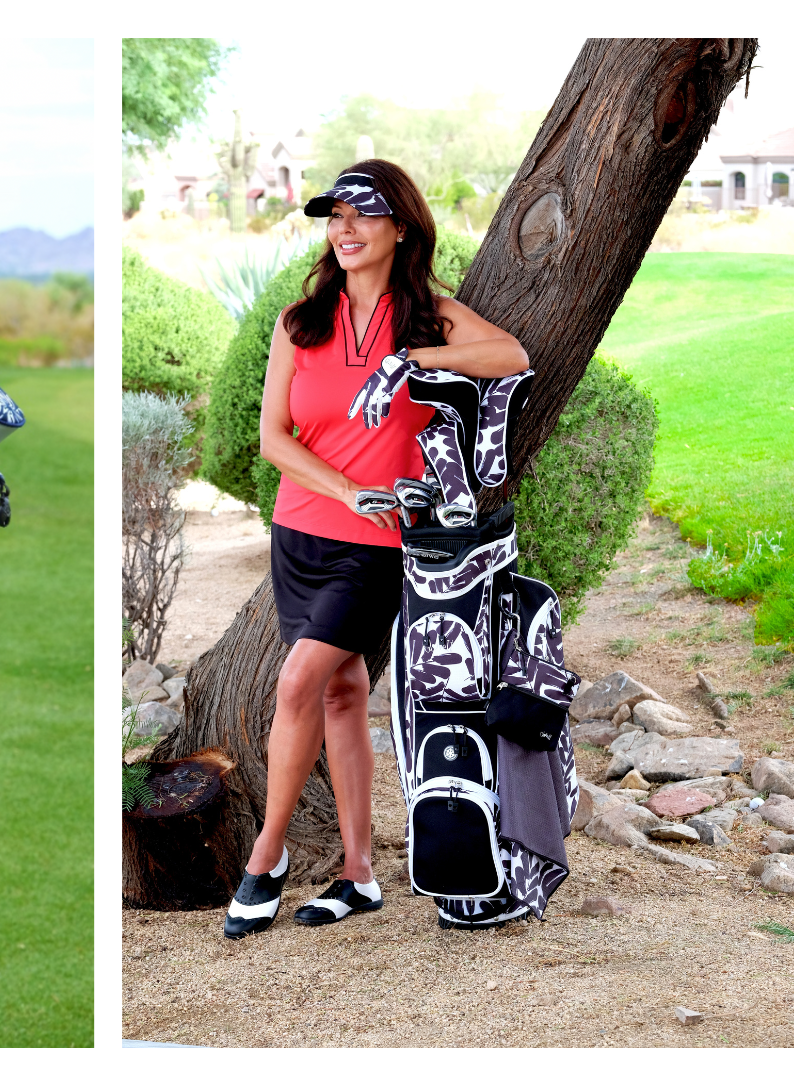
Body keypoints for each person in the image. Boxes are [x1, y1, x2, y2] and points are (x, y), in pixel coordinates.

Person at [222, 160, 528, 937]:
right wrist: (341, 487)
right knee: (339, 693)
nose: (347, 228)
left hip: (379, 544)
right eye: (335, 216)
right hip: (300, 533)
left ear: (401, 227)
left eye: (364, 214)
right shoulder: (302, 322)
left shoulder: (429, 318)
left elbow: (510, 357)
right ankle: (359, 873)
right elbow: (272, 439)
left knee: (297, 685)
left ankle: (265, 857)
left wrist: (414, 362)